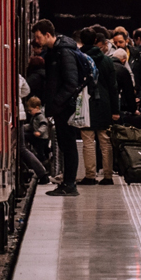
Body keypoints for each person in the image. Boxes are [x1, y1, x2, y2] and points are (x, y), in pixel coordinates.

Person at [32, 19, 81, 196]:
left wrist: (56, 103)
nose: (36, 41)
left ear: (47, 34)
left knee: (69, 146)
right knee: (66, 146)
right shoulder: (54, 52)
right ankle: (67, 183)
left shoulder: (64, 53)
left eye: (38, 37)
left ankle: (70, 185)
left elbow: (70, 83)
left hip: (65, 108)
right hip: (61, 108)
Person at [79, 29, 119, 186]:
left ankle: (90, 176)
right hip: (104, 104)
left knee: (88, 141)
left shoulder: (78, 58)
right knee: (105, 140)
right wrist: (115, 110)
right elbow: (113, 87)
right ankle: (108, 176)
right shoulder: (107, 61)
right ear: (96, 40)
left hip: (85, 104)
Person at [113, 29, 141, 103]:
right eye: (115, 43)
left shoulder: (136, 55)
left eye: (120, 42)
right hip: (119, 97)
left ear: (126, 41)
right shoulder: (111, 57)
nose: (118, 45)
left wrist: (140, 96)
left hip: (134, 96)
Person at [109, 47, 137, 115]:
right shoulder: (123, 70)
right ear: (124, 60)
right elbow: (128, 92)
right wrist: (133, 109)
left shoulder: (106, 65)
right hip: (115, 99)